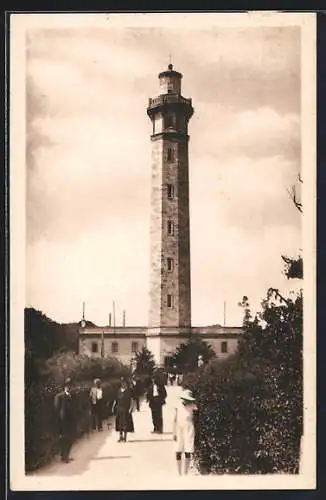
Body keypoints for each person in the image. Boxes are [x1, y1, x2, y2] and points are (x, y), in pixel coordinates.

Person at [173, 388, 198, 476]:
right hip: (179, 428)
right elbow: (175, 419)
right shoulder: (178, 405)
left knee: (188, 450)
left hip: (189, 428)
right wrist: (174, 432)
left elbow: (196, 418)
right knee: (178, 450)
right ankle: (179, 473)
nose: (186, 402)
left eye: (188, 400)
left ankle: (185, 473)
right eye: (185, 399)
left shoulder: (192, 406)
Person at [54, 377, 76, 463]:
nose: (69, 388)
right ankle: (64, 456)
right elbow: (56, 410)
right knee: (64, 439)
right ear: (65, 387)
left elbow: (74, 408)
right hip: (63, 421)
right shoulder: (59, 396)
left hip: (71, 420)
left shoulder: (72, 396)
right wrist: (58, 422)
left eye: (71, 386)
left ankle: (66, 455)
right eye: (68, 386)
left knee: (70, 438)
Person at [112, 377, 134, 442]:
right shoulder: (118, 390)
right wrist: (113, 407)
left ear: (126, 383)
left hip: (126, 409)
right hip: (119, 408)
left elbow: (132, 400)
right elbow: (116, 400)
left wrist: (131, 408)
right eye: (122, 383)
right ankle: (120, 436)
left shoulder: (129, 390)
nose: (123, 384)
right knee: (119, 423)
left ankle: (125, 437)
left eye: (124, 383)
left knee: (125, 423)